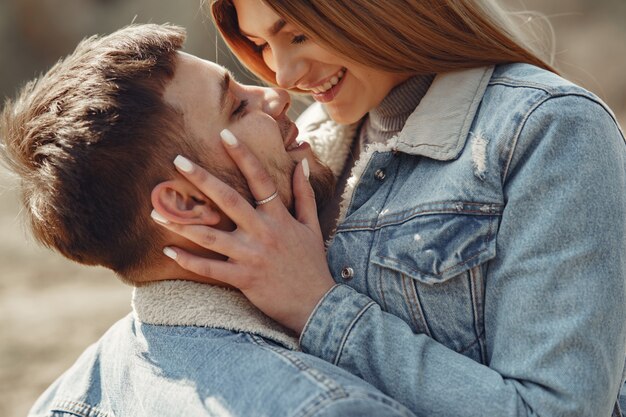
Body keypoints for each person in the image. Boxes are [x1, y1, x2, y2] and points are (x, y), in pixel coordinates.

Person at [153, 1, 626, 416]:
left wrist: (317, 307)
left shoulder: (548, 128)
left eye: (296, 34)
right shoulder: (315, 141)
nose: (283, 76)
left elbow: (557, 409)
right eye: (262, 44)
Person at [0, 23, 417, 417]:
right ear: (186, 203)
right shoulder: (326, 407)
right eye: (237, 106)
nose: (276, 95)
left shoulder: (64, 399)